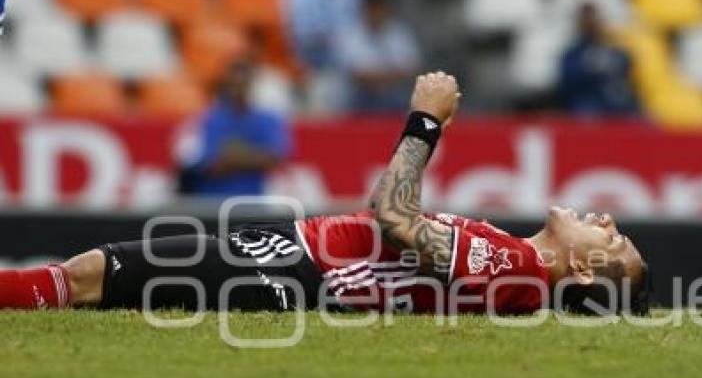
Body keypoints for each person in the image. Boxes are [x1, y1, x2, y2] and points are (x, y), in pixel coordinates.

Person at [0, 72, 649, 316]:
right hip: (297, 250)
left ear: (587, 268)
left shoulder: (518, 268)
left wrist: (423, 123)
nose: (607, 217)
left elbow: (394, 221)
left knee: (92, 275)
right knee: (96, 279)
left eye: (611, 237)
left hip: (306, 270)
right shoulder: (515, 260)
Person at [182, 58, 292, 198]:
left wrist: (233, 152)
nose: (238, 89)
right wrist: (256, 155)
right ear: (226, 85)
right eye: (234, 84)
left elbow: (275, 159)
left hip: (252, 202)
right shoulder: (210, 119)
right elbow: (213, 165)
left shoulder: (268, 119)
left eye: (243, 84)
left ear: (251, 84)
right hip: (213, 202)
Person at [337, 0, 421, 112]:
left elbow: (411, 69)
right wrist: (388, 76)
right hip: (361, 95)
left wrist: (381, 78)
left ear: (387, 10)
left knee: (409, 100)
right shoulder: (351, 35)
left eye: (380, 9)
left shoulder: (399, 33)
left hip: (394, 93)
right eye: (373, 9)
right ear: (365, 10)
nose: (377, 13)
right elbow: (357, 75)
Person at [558, 1, 640, 117]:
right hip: (589, 110)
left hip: (619, 108)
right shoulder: (572, 54)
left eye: (594, 19)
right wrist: (590, 68)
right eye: (586, 20)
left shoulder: (615, 51)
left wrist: (610, 62)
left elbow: (628, 66)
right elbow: (568, 84)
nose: (591, 24)